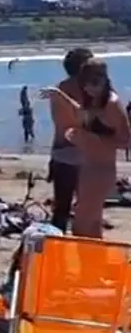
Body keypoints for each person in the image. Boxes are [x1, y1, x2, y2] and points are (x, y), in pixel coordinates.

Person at [41, 58, 131, 238]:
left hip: (101, 170)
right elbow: (81, 112)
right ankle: (97, 263)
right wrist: (59, 95)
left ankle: (93, 262)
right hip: (88, 167)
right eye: (85, 84)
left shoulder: (111, 104)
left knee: (82, 224)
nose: (89, 88)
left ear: (104, 80)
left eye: (94, 83)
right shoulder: (95, 100)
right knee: (90, 223)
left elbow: (126, 141)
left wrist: (90, 139)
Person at [44, 48, 93, 233]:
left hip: (62, 151)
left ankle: (59, 248)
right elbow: (84, 118)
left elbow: (61, 123)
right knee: (84, 209)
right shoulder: (84, 90)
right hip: (78, 153)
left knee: (62, 209)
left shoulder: (59, 89)